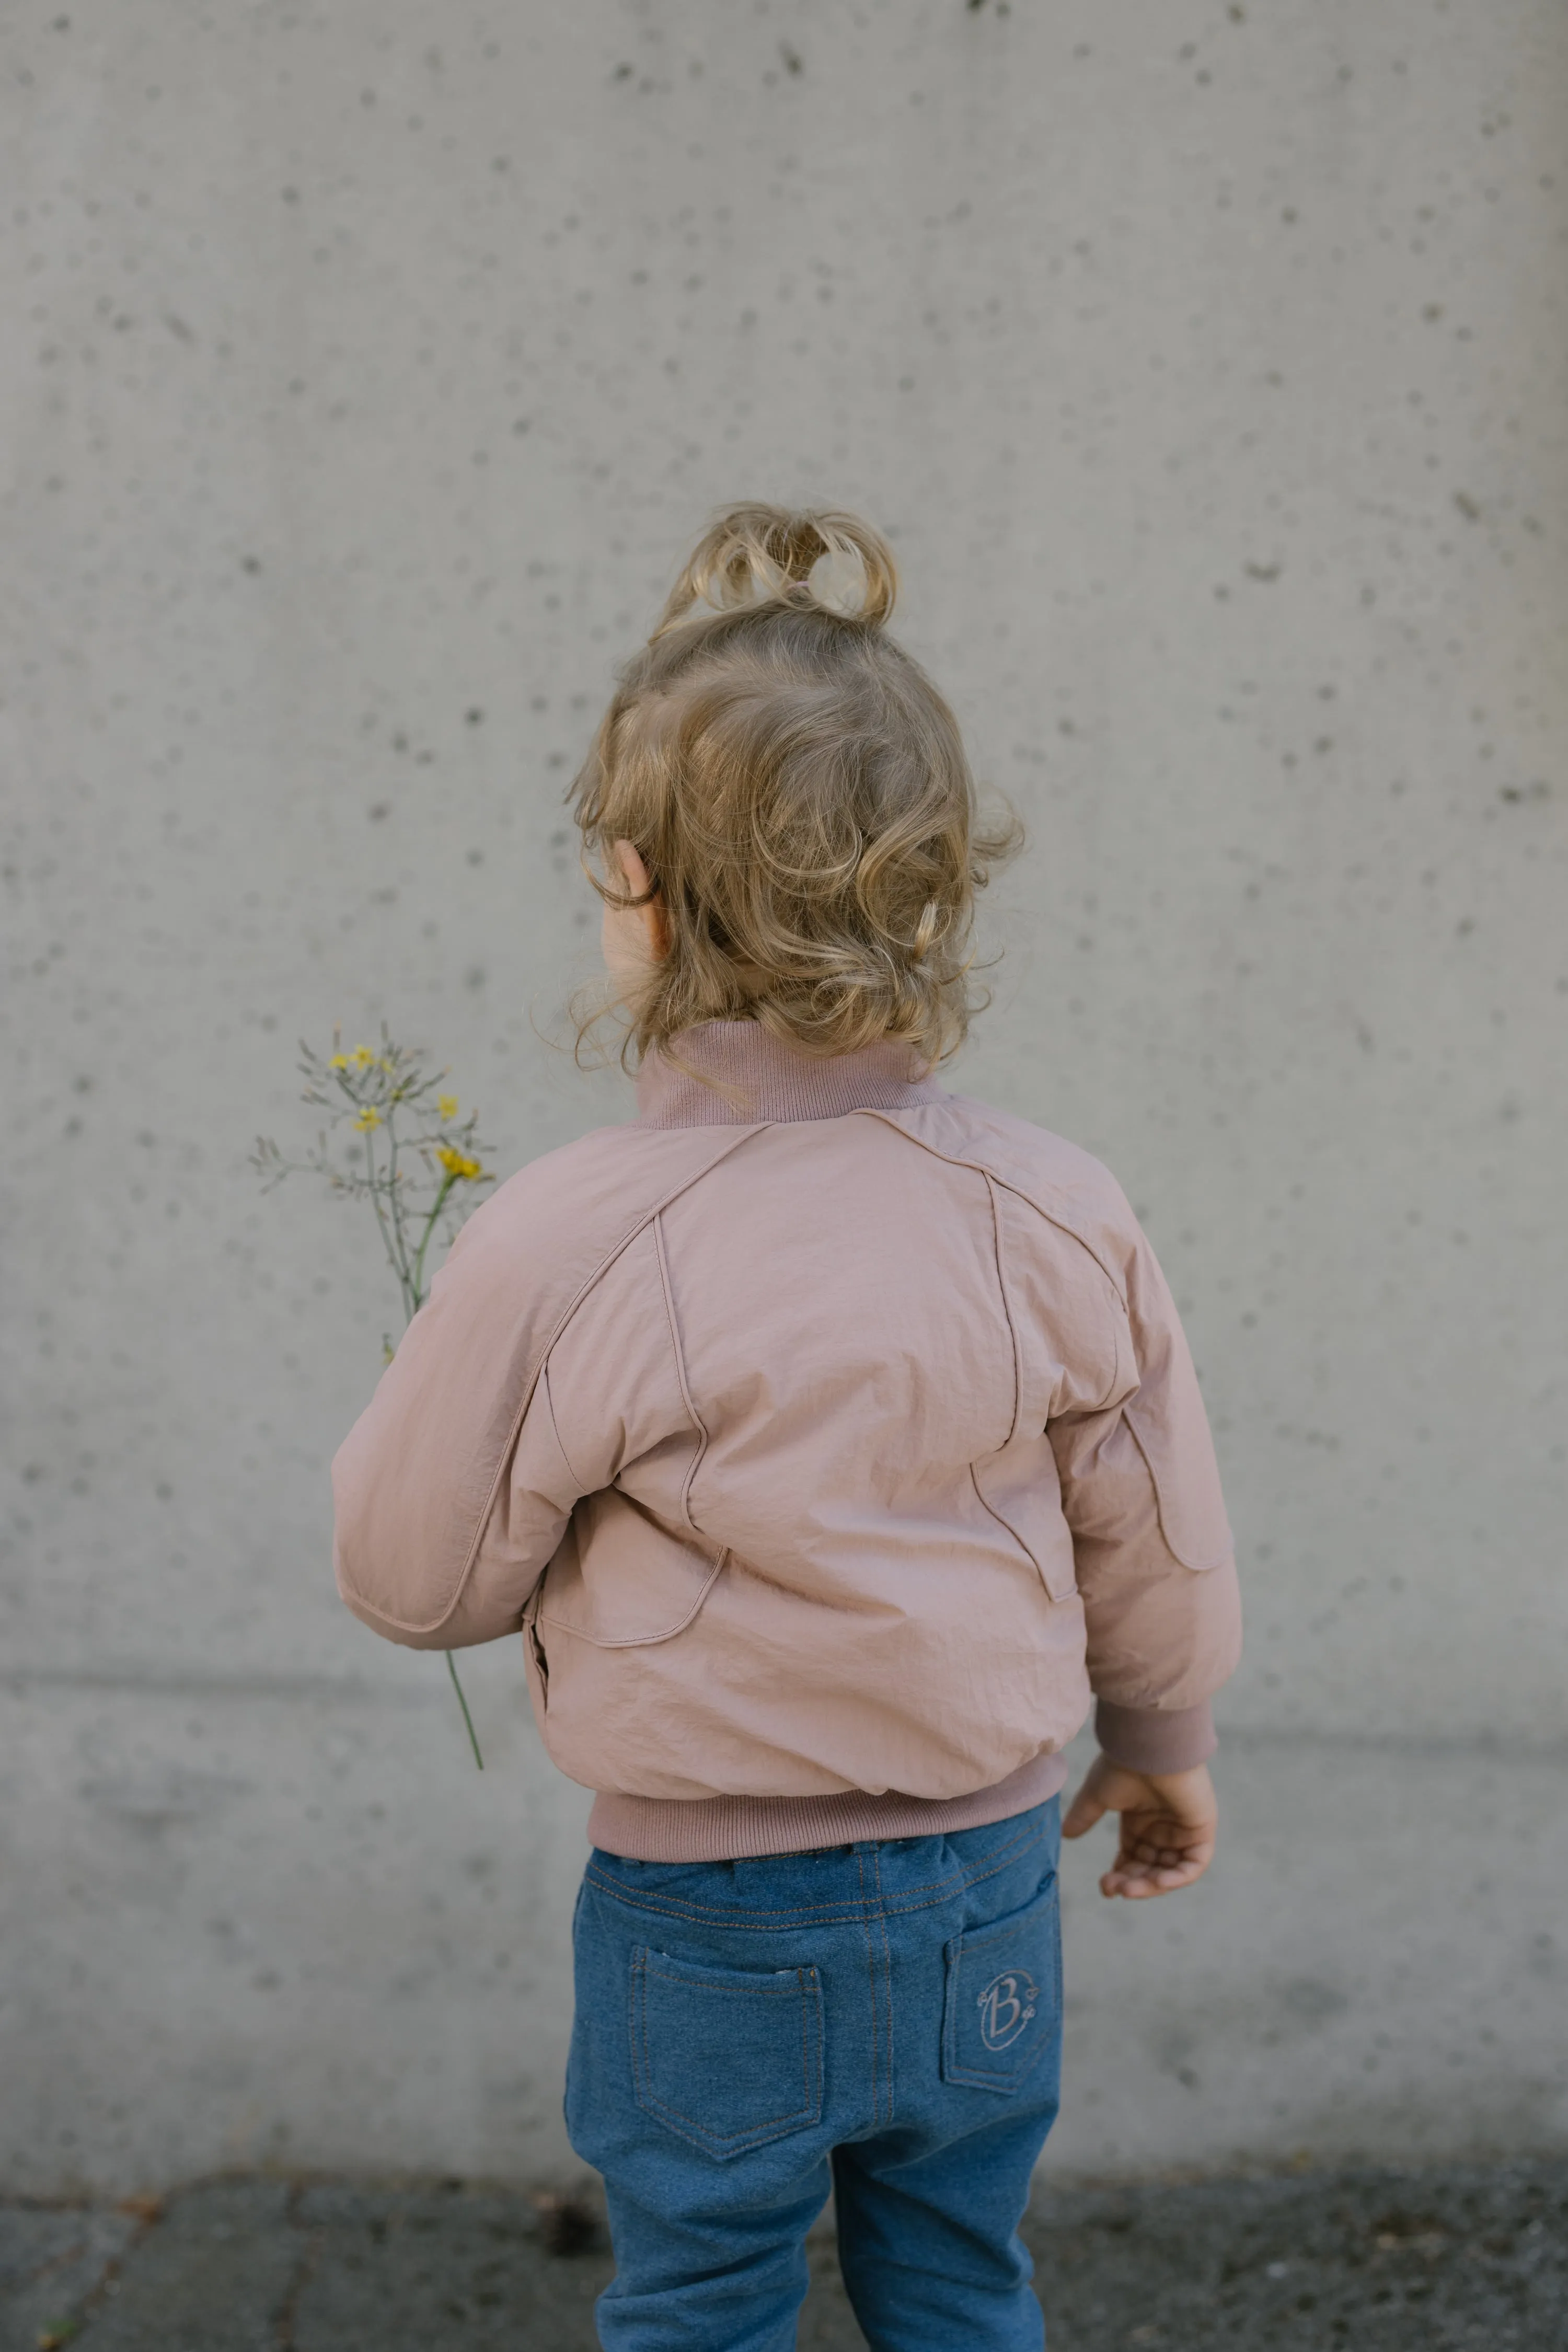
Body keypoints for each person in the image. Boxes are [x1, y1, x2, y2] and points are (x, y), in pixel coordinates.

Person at [332, 505, 1242, 2351]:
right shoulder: (1059, 1202)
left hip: (710, 1918)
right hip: (989, 1881)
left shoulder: (572, 1235)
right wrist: (1161, 1736)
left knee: (702, 2303)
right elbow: (1154, 1518)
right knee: (966, 2280)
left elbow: (413, 1579)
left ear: (632, 883)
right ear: (934, 892)